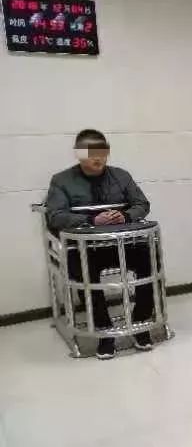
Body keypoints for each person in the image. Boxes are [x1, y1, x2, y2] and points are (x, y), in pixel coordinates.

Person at [46, 129, 155, 360]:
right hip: (85, 248)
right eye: (90, 153)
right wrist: (91, 220)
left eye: (102, 152)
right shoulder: (62, 180)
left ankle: (140, 323)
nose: (98, 158)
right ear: (79, 154)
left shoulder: (121, 176)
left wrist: (125, 216)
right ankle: (105, 332)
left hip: (122, 243)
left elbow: (142, 204)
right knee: (84, 274)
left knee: (150, 259)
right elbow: (55, 216)